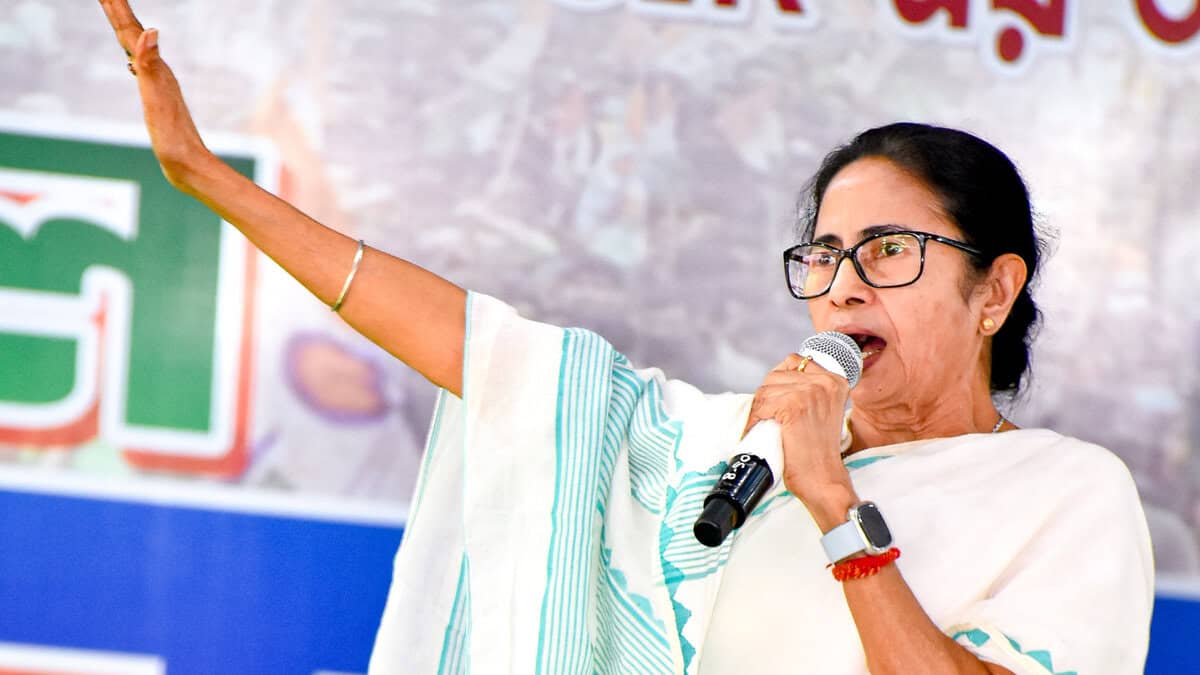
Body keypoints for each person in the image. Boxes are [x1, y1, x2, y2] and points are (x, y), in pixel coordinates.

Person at [99, 1, 1154, 673]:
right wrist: (215, 183)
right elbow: (490, 357)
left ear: (994, 290)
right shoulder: (729, 454)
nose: (839, 286)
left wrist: (836, 507)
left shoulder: (1066, 493)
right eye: (822, 256)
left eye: (886, 251)